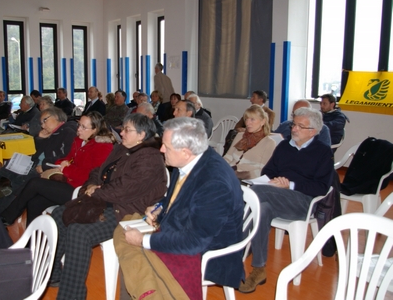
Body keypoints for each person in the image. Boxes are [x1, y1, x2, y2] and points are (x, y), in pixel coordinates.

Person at [115, 117, 244, 299]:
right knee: (125, 235)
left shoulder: (214, 182)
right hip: (184, 230)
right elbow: (174, 197)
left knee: (132, 248)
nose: (161, 150)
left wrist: (143, 241)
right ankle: (148, 293)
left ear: (185, 151)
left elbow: (193, 242)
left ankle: (150, 294)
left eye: (166, 147)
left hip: (208, 251)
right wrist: (160, 207)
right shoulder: (187, 161)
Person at [48, 113, 168, 300]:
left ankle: (71, 296)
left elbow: (125, 189)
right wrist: (90, 186)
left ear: (142, 135)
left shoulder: (150, 158)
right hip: (105, 200)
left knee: (79, 232)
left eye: (127, 130)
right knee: (58, 214)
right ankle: (54, 275)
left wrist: (95, 191)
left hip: (128, 211)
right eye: (123, 128)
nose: (122, 132)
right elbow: (98, 170)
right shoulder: (122, 148)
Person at [239, 107, 333, 293]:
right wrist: (275, 180)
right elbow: (268, 172)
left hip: (303, 202)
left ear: (312, 131)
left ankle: (234, 250)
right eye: (293, 124)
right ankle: (259, 269)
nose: (294, 129)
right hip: (276, 197)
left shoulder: (322, 152)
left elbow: (321, 188)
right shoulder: (284, 146)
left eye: (300, 126)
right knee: (262, 208)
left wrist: (289, 184)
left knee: (254, 192)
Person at [0, 111, 113, 226]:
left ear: (95, 129)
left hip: (82, 190)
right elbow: (67, 159)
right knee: (34, 203)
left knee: (35, 183)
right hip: (68, 183)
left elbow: (92, 175)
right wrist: (62, 163)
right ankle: (33, 241)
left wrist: (66, 169)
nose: (79, 129)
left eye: (84, 127)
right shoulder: (79, 140)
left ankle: (6, 217)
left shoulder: (103, 146)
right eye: (79, 125)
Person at [224, 105, 276, 180]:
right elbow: (228, 157)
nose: (248, 123)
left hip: (247, 179)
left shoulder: (269, 143)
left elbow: (262, 171)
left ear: (263, 121)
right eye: (246, 119)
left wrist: (237, 175)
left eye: (252, 119)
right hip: (229, 173)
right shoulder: (240, 136)